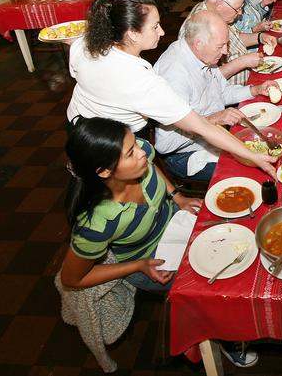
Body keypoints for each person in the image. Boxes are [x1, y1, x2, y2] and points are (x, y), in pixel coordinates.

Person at [60, 116, 260, 368]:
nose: (143, 151)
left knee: (242, 236)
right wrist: (139, 266)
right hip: (150, 260)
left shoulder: (139, 159)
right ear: (104, 171)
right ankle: (224, 339)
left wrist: (177, 196)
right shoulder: (96, 224)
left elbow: (150, 165)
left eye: (136, 143)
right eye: (131, 152)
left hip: (176, 223)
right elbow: (72, 279)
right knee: (213, 288)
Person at [65, 0, 275, 175]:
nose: (162, 32)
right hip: (108, 142)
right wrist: (253, 157)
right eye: (155, 27)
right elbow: (201, 127)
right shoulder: (142, 81)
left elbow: (74, 61)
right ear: (132, 34)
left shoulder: (84, 44)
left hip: (78, 124)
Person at [155, 10, 277, 181]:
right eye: (220, 46)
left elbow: (221, 92)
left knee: (269, 142)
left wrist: (254, 90)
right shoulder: (175, 74)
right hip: (186, 154)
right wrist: (214, 119)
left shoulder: (203, 55)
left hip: (215, 134)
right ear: (198, 43)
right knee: (256, 172)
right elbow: (164, 145)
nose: (226, 52)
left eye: (226, 44)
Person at [191, 0, 277, 86]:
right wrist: (243, 62)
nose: (240, 13)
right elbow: (207, 80)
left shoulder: (218, 13)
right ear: (220, 5)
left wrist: (260, 37)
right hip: (229, 97)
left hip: (245, 84)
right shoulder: (200, 25)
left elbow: (235, 38)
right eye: (237, 9)